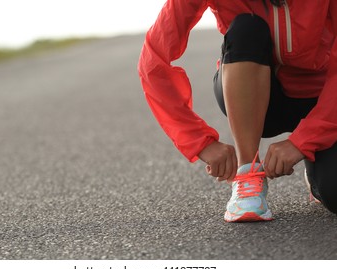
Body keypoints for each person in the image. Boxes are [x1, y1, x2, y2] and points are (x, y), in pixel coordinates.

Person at [138, 0, 337, 222]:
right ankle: (248, 173)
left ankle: (317, 173)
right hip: (253, 91)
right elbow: (153, 60)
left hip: (324, 99)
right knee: (247, 29)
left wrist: (304, 142)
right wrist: (199, 142)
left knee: (334, 190)